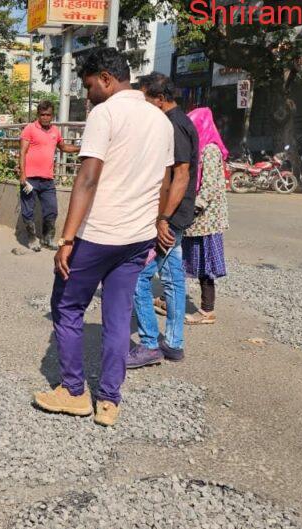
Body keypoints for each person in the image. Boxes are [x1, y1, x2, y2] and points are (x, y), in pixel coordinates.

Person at [32, 48, 173, 427]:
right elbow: (164, 182)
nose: (87, 94)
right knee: (117, 317)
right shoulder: (160, 119)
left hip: (98, 235)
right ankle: (109, 401)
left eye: (89, 85)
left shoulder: (105, 114)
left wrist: (66, 239)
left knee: (67, 306)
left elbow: (88, 178)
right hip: (137, 238)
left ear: (107, 79)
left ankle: (73, 392)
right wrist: (155, 224)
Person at [126, 72, 199, 368]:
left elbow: (181, 175)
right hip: (175, 214)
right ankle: (174, 342)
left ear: (159, 99)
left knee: (138, 278)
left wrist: (164, 219)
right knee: (172, 279)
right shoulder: (175, 121)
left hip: (171, 216)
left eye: (145, 99)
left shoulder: (173, 125)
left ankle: (148, 344)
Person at [182, 108, 229, 325]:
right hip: (200, 218)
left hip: (206, 220)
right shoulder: (200, 148)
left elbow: (208, 187)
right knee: (187, 260)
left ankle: (207, 310)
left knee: (206, 264)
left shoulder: (210, 150)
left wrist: (192, 209)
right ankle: (166, 299)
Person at [18, 100, 81, 252]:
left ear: (52, 115)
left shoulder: (55, 131)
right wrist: (23, 174)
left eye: (48, 115)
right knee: (28, 210)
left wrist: (81, 148)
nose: (45, 117)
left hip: (47, 180)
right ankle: (32, 239)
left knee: (52, 210)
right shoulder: (30, 129)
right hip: (30, 179)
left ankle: (47, 239)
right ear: (38, 115)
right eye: (42, 115)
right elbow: (22, 152)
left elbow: (63, 147)